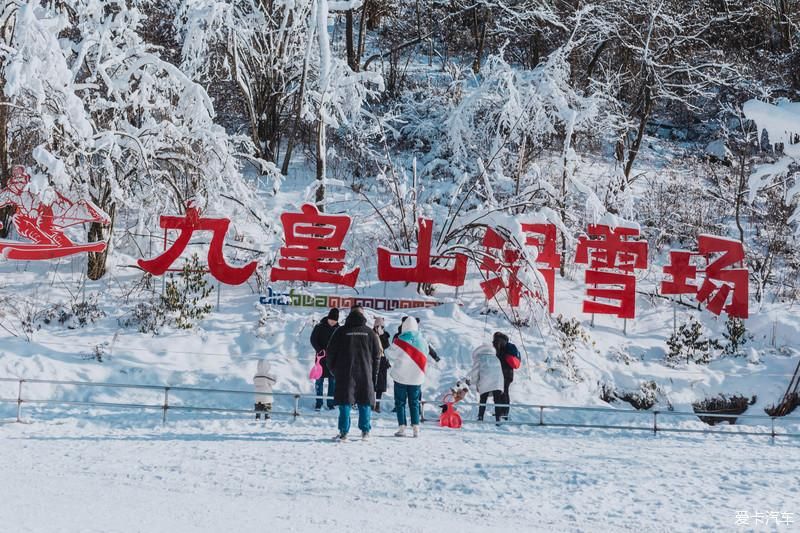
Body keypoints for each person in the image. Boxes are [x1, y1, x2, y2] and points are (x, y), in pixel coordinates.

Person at [325, 305, 382, 441]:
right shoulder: (370, 333)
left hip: (345, 372)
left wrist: (334, 371)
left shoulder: (340, 331)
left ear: (350, 314)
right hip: (365, 371)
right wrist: (373, 373)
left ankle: (344, 432)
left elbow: (330, 353)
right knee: (365, 401)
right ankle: (365, 431)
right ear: (362, 315)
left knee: (345, 401)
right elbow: (377, 356)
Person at [387, 316, 429, 437]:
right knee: (414, 402)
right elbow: (426, 355)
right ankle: (416, 428)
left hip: (400, 377)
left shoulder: (400, 341)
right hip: (416, 378)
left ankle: (402, 427)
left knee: (400, 403)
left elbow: (390, 354)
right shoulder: (423, 341)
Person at [310, 308, 339, 411]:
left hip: (333, 360)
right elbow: (313, 339)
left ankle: (331, 403)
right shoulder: (319, 326)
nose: (332, 322)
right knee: (319, 381)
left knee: (333, 382)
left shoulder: (338, 329)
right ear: (328, 318)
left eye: (334, 320)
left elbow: (341, 344)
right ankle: (319, 402)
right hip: (320, 359)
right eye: (331, 320)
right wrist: (319, 350)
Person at [466, 344, 504, 422]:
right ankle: (498, 418)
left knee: (483, 399)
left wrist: (473, 382)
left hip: (485, 382)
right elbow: (500, 373)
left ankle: (480, 417)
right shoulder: (496, 358)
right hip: (497, 383)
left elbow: (475, 373)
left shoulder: (480, 358)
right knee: (497, 400)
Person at [492, 332, 521, 421]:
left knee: (502, 392)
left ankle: (503, 412)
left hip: (502, 372)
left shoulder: (498, 343)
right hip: (509, 373)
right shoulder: (508, 345)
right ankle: (503, 411)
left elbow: (497, 356)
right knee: (504, 392)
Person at [373, 317, 391, 413]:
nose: (380, 327)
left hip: (383, 361)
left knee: (380, 384)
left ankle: (378, 404)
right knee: (371, 382)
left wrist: (382, 335)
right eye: (378, 326)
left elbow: (387, 347)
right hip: (372, 360)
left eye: (381, 326)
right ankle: (372, 402)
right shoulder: (370, 333)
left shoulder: (385, 335)